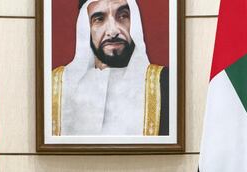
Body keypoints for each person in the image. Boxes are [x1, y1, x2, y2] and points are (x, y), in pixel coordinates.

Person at [52, 0, 169, 136]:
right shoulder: (56, 85)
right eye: (99, 19)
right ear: (85, 29)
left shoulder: (164, 83)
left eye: (123, 16)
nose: (113, 32)